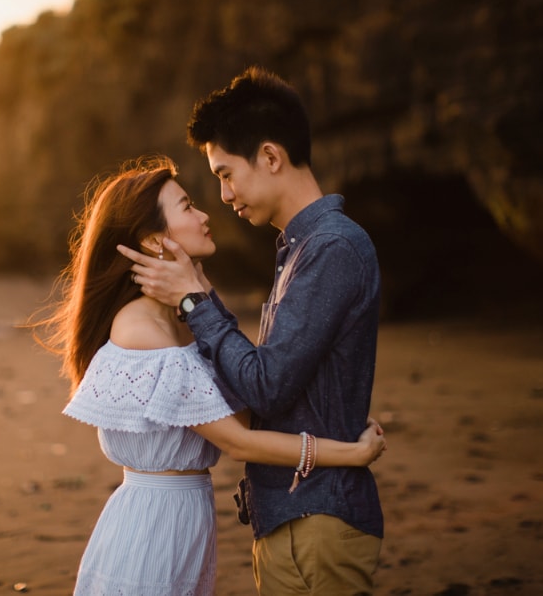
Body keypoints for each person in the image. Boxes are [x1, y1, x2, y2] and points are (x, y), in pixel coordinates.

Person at [34, 155, 386, 595]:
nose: (205, 214)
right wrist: (349, 453)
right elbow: (238, 440)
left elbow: (248, 397)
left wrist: (198, 292)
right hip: (151, 533)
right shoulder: (142, 331)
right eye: (187, 207)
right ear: (153, 239)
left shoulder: (180, 323)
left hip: (183, 525)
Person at [118, 67, 385, 594]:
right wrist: (198, 291)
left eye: (225, 173)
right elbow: (268, 389)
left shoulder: (331, 248)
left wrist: (195, 299)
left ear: (270, 156)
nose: (223, 195)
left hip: (317, 520)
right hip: (294, 516)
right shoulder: (301, 251)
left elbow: (266, 386)